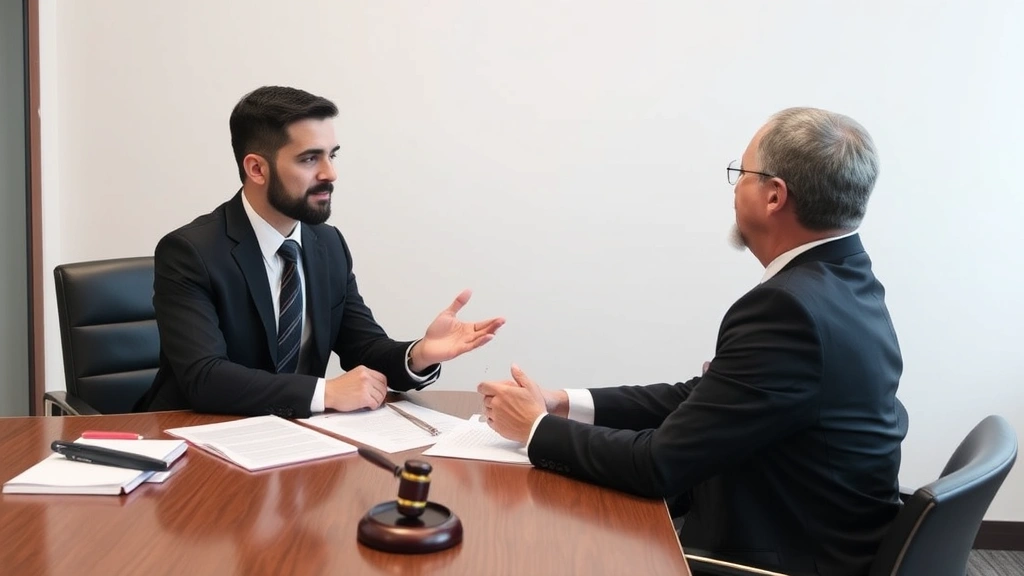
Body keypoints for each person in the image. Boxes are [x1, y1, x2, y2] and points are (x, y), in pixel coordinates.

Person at [478, 107, 907, 575]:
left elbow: (659, 465)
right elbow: (705, 399)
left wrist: (536, 429)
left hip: (779, 560)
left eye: (742, 174)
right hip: (823, 537)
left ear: (774, 196)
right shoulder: (847, 283)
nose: (735, 188)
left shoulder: (790, 310)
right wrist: (562, 403)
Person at [136, 86, 504, 417]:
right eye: (310, 159)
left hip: (297, 442)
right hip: (194, 438)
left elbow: (363, 347)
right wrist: (325, 391)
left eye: (332, 155)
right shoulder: (189, 252)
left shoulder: (327, 244)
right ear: (257, 169)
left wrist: (421, 354)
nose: (331, 173)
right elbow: (205, 377)